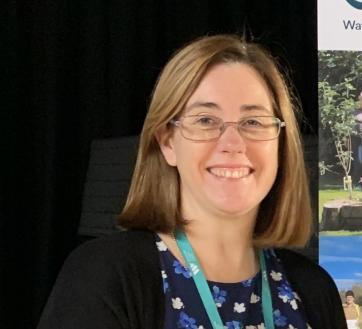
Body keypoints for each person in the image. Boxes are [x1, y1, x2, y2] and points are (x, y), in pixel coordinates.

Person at [37, 35, 344, 328]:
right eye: (205, 121)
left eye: (253, 122)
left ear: (280, 142)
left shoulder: (314, 290)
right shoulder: (105, 276)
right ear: (168, 142)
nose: (233, 143)